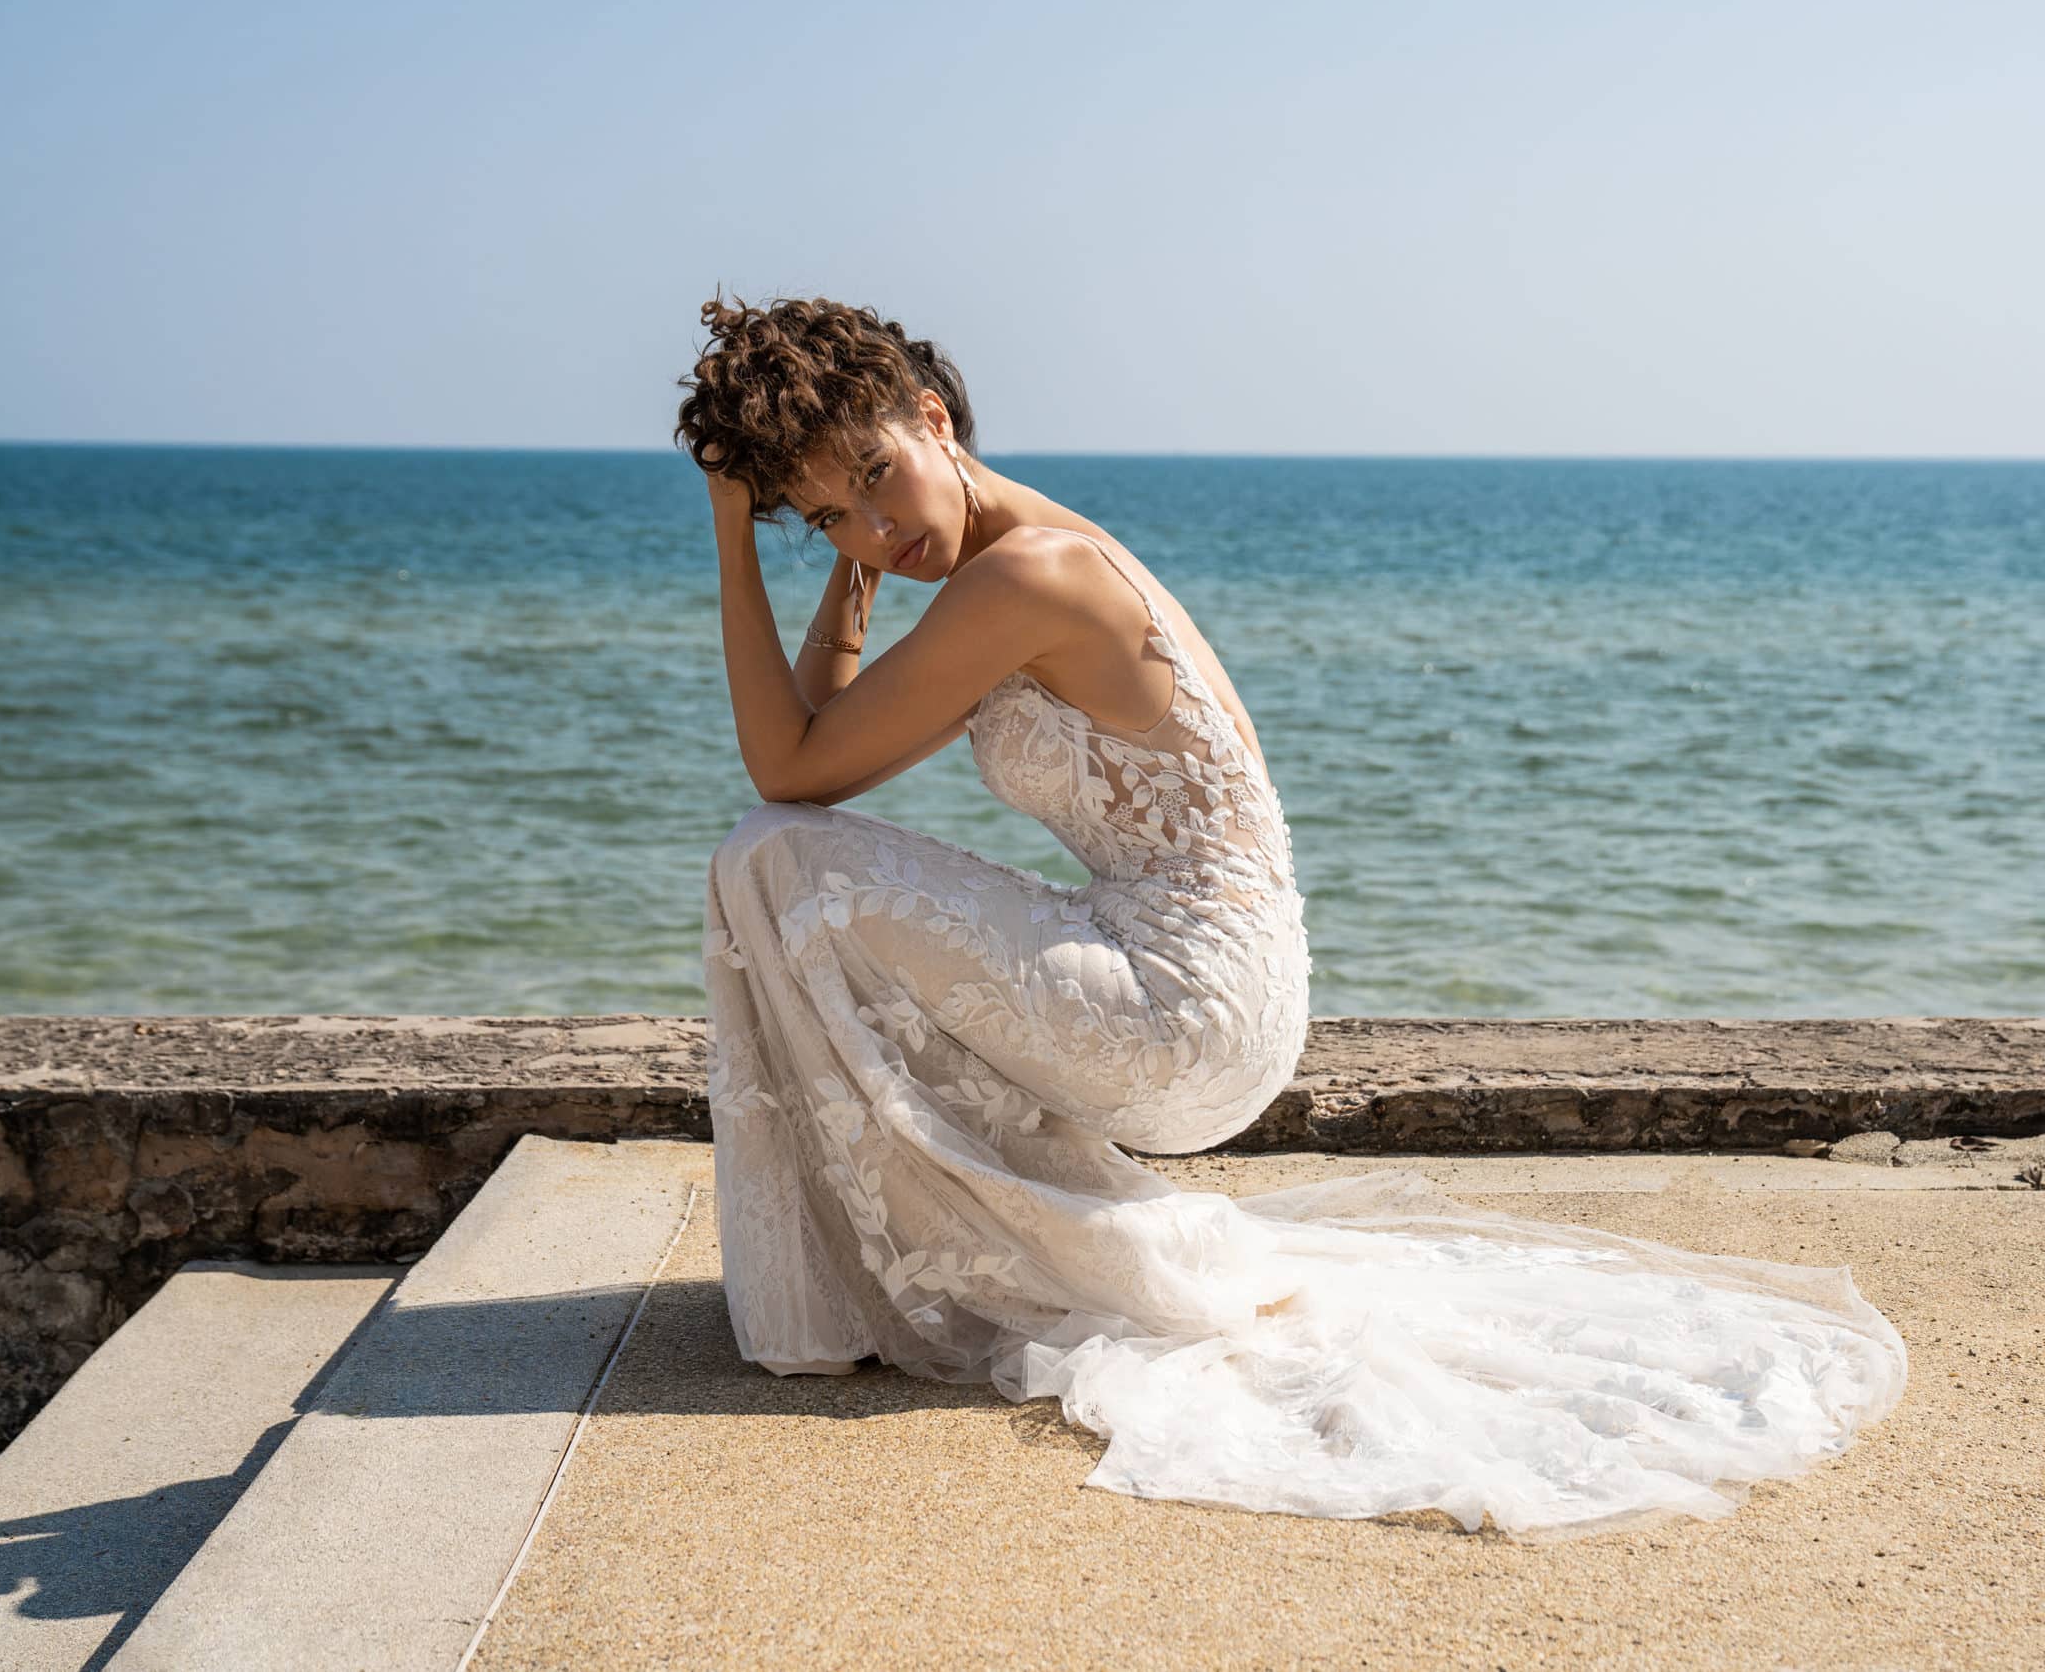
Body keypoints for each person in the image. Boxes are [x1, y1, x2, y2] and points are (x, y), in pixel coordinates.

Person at [677, 292, 1906, 1541]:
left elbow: (791, 774)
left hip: (1182, 1010)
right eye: (833, 514)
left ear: (934, 418)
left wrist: (734, 536)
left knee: (773, 859)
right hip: (1208, 985)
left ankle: (839, 1281)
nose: (881, 528)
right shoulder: (1016, 555)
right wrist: (856, 549)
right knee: (783, 854)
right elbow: (820, 746)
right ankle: (871, 1254)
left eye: (882, 476)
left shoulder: (1029, 577)